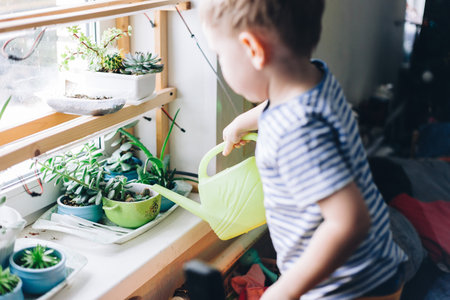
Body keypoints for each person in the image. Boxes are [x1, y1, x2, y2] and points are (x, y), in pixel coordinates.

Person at [200, 0, 407, 299]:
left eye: (220, 53)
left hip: (349, 285)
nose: (221, 60)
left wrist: (283, 292)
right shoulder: (313, 78)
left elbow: (349, 221)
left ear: (253, 49)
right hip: (372, 263)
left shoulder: (297, 132)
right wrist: (245, 120)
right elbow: (286, 101)